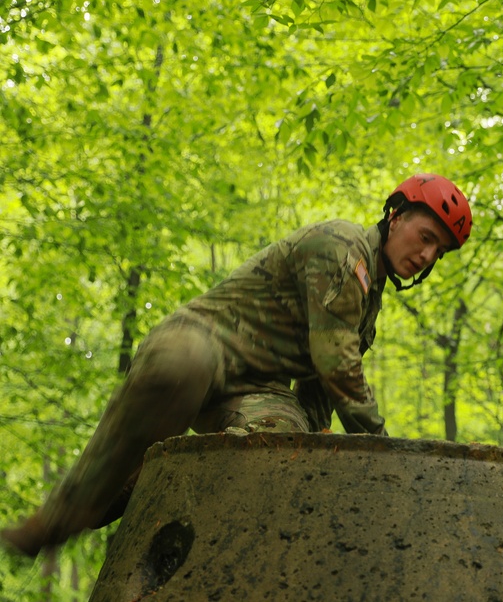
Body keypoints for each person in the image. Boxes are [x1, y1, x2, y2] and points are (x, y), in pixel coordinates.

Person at [1, 173, 473, 557]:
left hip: (256, 388)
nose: (427, 255)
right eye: (426, 237)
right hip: (200, 339)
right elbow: (337, 364)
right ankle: (57, 519)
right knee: (182, 368)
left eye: (439, 252)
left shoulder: (368, 305)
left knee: (276, 449)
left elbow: (317, 392)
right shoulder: (342, 245)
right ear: (395, 217)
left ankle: (151, 486)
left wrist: (311, 446)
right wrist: (385, 451)